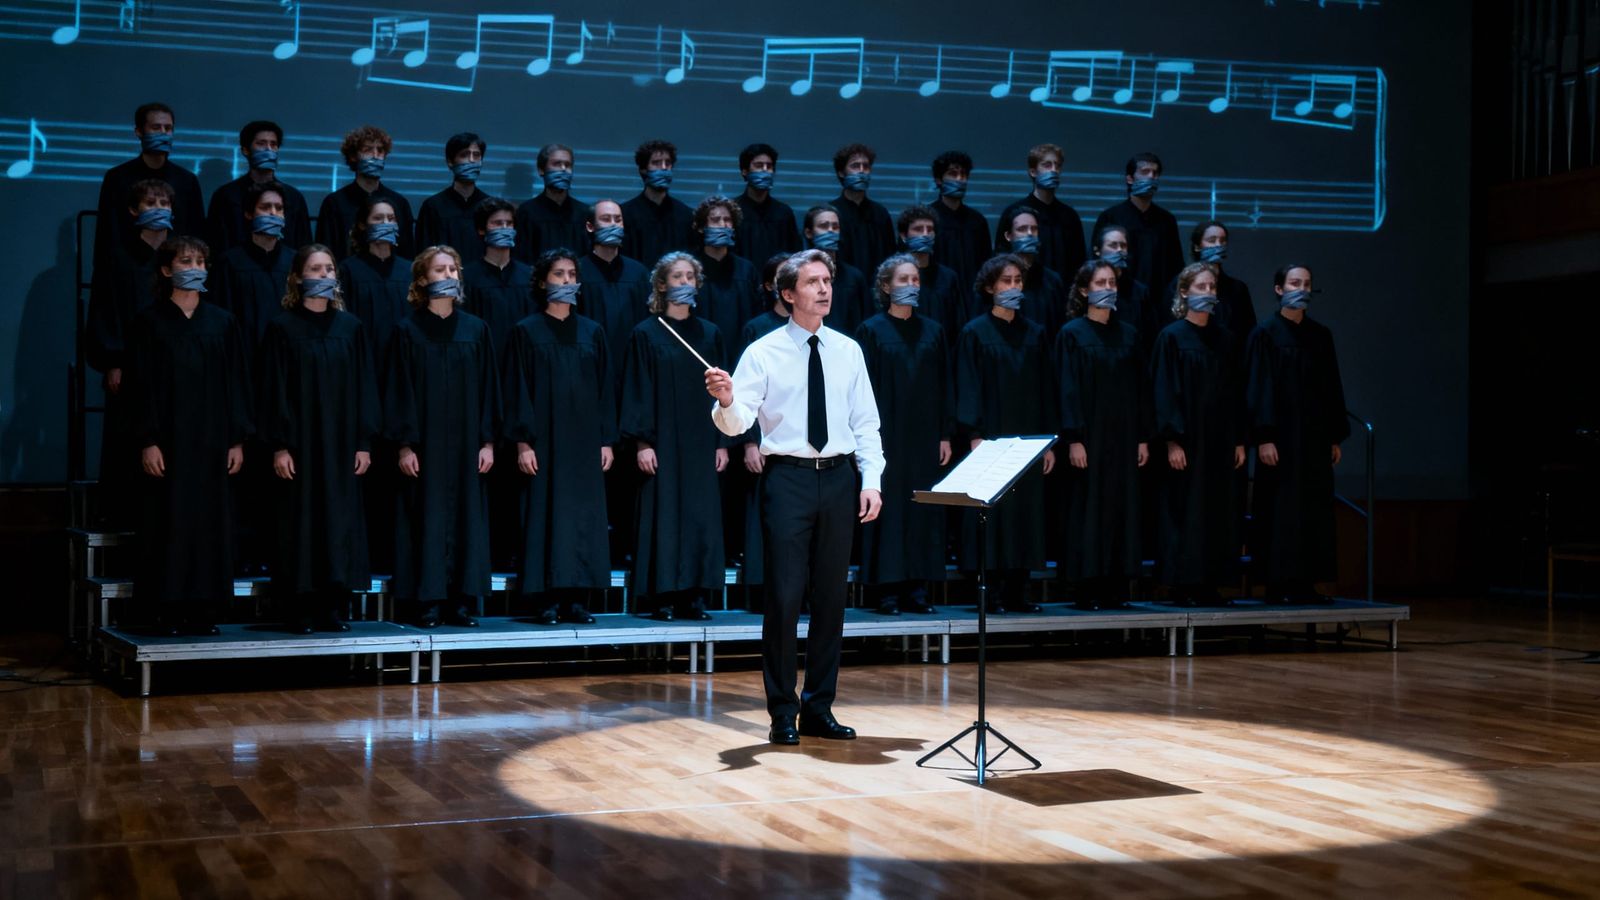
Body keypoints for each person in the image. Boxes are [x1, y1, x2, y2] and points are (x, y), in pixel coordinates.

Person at [707, 249, 885, 745]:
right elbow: (739, 419)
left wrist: (871, 480)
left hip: (839, 477)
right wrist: (725, 399)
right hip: (788, 479)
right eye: (812, 282)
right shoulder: (763, 352)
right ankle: (782, 711)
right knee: (784, 600)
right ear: (788, 294)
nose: (824, 289)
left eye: (828, 280)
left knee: (831, 601)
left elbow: (865, 423)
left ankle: (818, 708)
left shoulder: (848, 349)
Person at [123, 236, 252, 635]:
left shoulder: (222, 322)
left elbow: (237, 383)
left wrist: (236, 439)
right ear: (166, 270)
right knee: (167, 524)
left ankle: (204, 609)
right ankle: (167, 609)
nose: (195, 267)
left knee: (210, 525)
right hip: (169, 441)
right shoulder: (149, 322)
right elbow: (139, 387)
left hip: (213, 441)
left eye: (201, 260)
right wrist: (148, 439)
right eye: (186, 261)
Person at [257, 244, 381, 633]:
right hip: (301, 445)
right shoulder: (282, 327)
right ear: (297, 277)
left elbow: (365, 386)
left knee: (338, 522)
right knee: (301, 522)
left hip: (342, 445)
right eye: (315, 268)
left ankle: (333, 605)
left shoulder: (350, 327)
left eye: (329, 269)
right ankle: (300, 607)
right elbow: (273, 390)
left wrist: (364, 441)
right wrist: (279, 445)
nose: (324, 275)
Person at [384, 246, 500, 628]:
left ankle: (462, 602)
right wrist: (404, 444)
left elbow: (489, 389)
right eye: (440, 269)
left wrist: (487, 441)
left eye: (454, 268)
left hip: (468, 443)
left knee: (467, 519)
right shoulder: (407, 330)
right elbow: (398, 391)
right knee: (426, 519)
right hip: (426, 445)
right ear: (422, 279)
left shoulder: (476, 329)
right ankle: (428, 601)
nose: (449, 274)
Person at [503, 248, 614, 626]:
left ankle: (577, 599)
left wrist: (605, 440)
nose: (566, 281)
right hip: (544, 441)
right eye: (558, 274)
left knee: (583, 518)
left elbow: (604, 390)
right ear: (541, 282)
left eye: (571, 274)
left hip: (584, 442)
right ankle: (546, 600)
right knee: (546, 516)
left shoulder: (592, 332)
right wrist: (522, 442)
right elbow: (518, 390)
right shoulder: (526, 331)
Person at [623, 253, 729, 621]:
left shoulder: (710, 334)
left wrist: (722, 443)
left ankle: (694, 594)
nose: (685, 282)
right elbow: (637, 391)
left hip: (702, 441)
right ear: (662, 285)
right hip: (662, 441)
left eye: (690, 276)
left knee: (700, 515)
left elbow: (724, 393)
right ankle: (662, 595)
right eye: (677, 277)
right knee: (664, 514)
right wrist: (642, 442)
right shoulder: (646, 333)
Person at [955, 254, 1054, 614]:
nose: (1013, 287)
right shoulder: (975, 332)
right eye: (1005, 281)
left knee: (1025, 513)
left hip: (1028, 438)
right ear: (989, 287)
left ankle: (1019, 590)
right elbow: (968, 386)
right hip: (991, 436)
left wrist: (1047, 441)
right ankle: (992, 592)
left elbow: (1046, 388)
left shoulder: (1035, 333)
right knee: (995, 513)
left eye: (1017, 281)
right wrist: (975, 433)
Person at [1246, 264, 1350, 604]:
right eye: (1294, 282)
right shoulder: (1265, 334)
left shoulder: (1321, 336)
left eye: (1306, 283)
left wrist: (1334, 435)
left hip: (1315, 439)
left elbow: (1332, 388)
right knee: (1280, 511)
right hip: (1280, 439)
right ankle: (1279, 584)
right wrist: (1263, 436)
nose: (1301, 288)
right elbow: (1258, 387)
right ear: (1279, 289)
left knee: (1313, 509)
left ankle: (1307, 582)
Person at [855, 254, 952, 616]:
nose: (911, 286)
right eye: (903, 280)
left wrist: (944, 433)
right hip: (886, 435)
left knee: (922, 510)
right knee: (889, 511)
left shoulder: (933, 331)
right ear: (885, 286)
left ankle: (918, 589)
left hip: (924, 437)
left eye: (915, 280)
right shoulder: (871, 330)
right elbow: (861, 389)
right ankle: (887, 591)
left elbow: (945, 385)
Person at [1053, 260, 1149, 609]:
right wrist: (1074, 437)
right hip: (1088, 440)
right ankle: (1087, 586)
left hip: (1123, 440)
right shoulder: (1072, 334)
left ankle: (1116, 584)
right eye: (1100, 282)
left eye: (1112, 282)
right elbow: (1067, 390)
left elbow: (1141, 389)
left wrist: (1141, 437)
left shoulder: (1129, 334)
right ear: (1083, 290)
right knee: (1088, 511)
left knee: (1121, 509)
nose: (1108, 288)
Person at [1150, 262, 1246, 606]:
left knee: (1219, 512)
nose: (1208, 293)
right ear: (1185, 292)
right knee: (1184, 512)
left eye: (1212, 288)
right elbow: (1164, 392)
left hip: (1220, 442)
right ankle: (1183, 585)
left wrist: (1238, 439)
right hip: (1187, 443)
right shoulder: (1171, 337)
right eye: (1201, 287)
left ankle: (1212, 583)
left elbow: (1236, 392)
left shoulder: (1226, 339)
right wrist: (1172, 441)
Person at [87, 179, 172, 527]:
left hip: (172, 368)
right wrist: (113, 361)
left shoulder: (181, 259)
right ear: (134, 210)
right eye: (150, 203)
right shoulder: (119, 258)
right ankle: (121, 515)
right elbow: (106, 311)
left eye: (164, 203)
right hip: (130, 365)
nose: (159, 209)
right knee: (127, 442)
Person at [576, 199, 652, 564]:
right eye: (605, 219)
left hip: (631, 380)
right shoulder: (576, 272)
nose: (613, 224)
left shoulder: (638, 273)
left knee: (630, 470)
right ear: (590, 227)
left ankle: (627, 546)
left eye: (618, 219)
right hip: (590, 384)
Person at [728, 253, 797, 602]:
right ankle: (762, 589)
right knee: (765, 518)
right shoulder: (757, 328)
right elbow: (745, 396)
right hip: (764, 440)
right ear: (775, 287)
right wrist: (749, 443)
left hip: (798, 446)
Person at [94, 103, 205, 272]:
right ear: (139, 131)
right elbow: (107, 234)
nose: (163, 133)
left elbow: (195, 234)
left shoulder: (186, 180)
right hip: (128, 270)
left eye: (168, 128)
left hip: (174, 271)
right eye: (156, 127)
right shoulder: (117, 177)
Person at [206, 120, 312, 254]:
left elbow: (303, 247)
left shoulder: (293, 197)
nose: (268, 149)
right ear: (245, 150)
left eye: (273, 144)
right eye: (261, 144)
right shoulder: (225, 196)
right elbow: (216, 245)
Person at [213, 180, 295, 349]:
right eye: (265, 207)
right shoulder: (230, 262)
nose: (273, 213)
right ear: (249, 214)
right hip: (243, 355)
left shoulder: (294, 261)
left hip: (287, 354)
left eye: (279, 208)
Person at [1093, 152, 1183, 303]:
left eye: (1155, 173)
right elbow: (1097, 263)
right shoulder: (1111, 217)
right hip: (1119, 299)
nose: (1151, 177)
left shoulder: (1167, 221)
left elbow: (1175, 266)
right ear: (1129, 178)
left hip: (1158, 301)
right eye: (1144, 172)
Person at [316, 125, 415, 261]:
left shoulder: (399, 203)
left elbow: (407, 254)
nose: (375, 156)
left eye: (380, 151)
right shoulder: (334, 203)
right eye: (368, 150)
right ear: (353, 156)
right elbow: (326, 253)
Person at [1002, 142, 1087, 284]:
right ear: (1033, 171)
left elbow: (1079, 263)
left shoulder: (1070, 216)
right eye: (1047, 165)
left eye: (1057, 166)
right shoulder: (1015, 213)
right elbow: (1001, 258)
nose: (1053, 171)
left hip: (1063, 295)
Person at [461, 197, 534, 364]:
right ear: (481, 229)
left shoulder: (529, 276)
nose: (505, 228)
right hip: (483, 361)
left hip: (521, 362)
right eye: (497, 223)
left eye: (509, 223)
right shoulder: (467, 277)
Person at [1165, 220, 1256, 351]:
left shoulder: (1237, 289)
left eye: (1222, 240)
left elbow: (1247, 333)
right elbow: (1171, 325)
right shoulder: (1178, 284)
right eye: (1212, 240)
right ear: (1197, 246)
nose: (1218, 245)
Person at [896, 204, 972, 347]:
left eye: (930, 230)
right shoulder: (893, 276)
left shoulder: (949, 278)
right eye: (918, 229)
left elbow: (959, 325)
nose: (925, 234)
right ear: (904, 236)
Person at [692, 195, 762, 342]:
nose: (723, 225)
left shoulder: (746, 270)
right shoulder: (690, 269)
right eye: (715, 220)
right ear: (701, 227)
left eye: (728, 220)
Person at [995, 206, 1070, 339]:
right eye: (1022, 229)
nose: (1029, 234)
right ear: (1008, 236)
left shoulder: (1052, 281)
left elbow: (1061, 328)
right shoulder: (994, 278)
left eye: (1034, 229)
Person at [620, 139, 696, 266]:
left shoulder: (686, 215)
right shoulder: (625, 214)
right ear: (643, 170)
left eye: (668, 163)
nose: (664, 168)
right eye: (656, 163)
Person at [416, 132, 490, 260]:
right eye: (464, 155)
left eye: (476, 155)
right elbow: (424, 254)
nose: (471, 160)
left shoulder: (489, 207)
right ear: (450, 162)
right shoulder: (433, 206)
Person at [514, 143, 590, 263]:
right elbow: (522, 259)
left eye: (568, 165)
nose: (563, 169)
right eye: (557, 164)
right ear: (541, 170)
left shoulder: (584, 213)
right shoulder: (527, 212)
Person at [928, 150, 991, 292]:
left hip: (972, 297)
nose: (959, 179)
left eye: (963, 174)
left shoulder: (977, 221)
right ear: (939, 179)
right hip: (937, 295)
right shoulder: (927, 219)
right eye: (953, 174)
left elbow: (986, 265)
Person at [829, 143, 896, 277]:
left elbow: (891, 257)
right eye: (855, 166)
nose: (861, 171)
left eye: (866, 166)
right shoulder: (830, 213)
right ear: (841, 172)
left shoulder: (880, 214)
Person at [802, 205, 872, 333]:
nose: (831, 231)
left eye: (835, 227)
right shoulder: (798, 273)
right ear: (809, 233)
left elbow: (865, 321)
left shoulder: (854, 277)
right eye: (824, 226)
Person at [733, 143, 802, 268]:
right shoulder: (733, 211)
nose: (765, 170)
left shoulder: (784, 213)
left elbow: (795, 256)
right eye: (758, 166)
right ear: (744, 171)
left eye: (769, 166)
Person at [1091, 224, 1156, 344]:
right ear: (1097, 250)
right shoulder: (1088, 286)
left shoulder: (1139, 291)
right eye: (1113, 245)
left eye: (1123, 245)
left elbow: (1149, 333)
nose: (1119, 250)